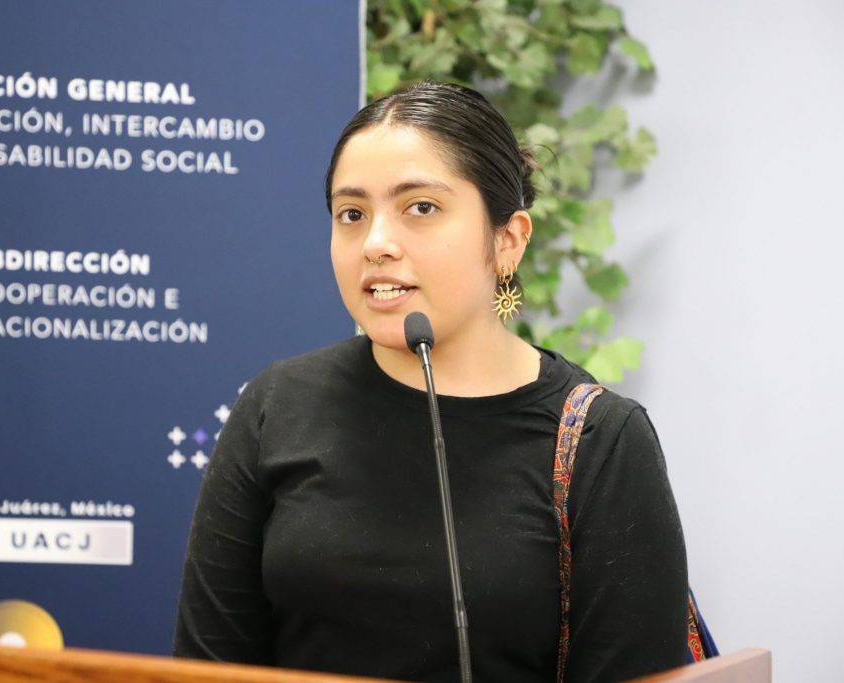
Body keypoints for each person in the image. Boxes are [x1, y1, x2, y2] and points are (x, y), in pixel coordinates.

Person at [173, 81, 690, 683]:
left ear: (508, 240)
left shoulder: (602, 439)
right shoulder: (276, 405)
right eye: (352, 214)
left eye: (420, 207)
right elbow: (205, 668)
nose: (376, 244)